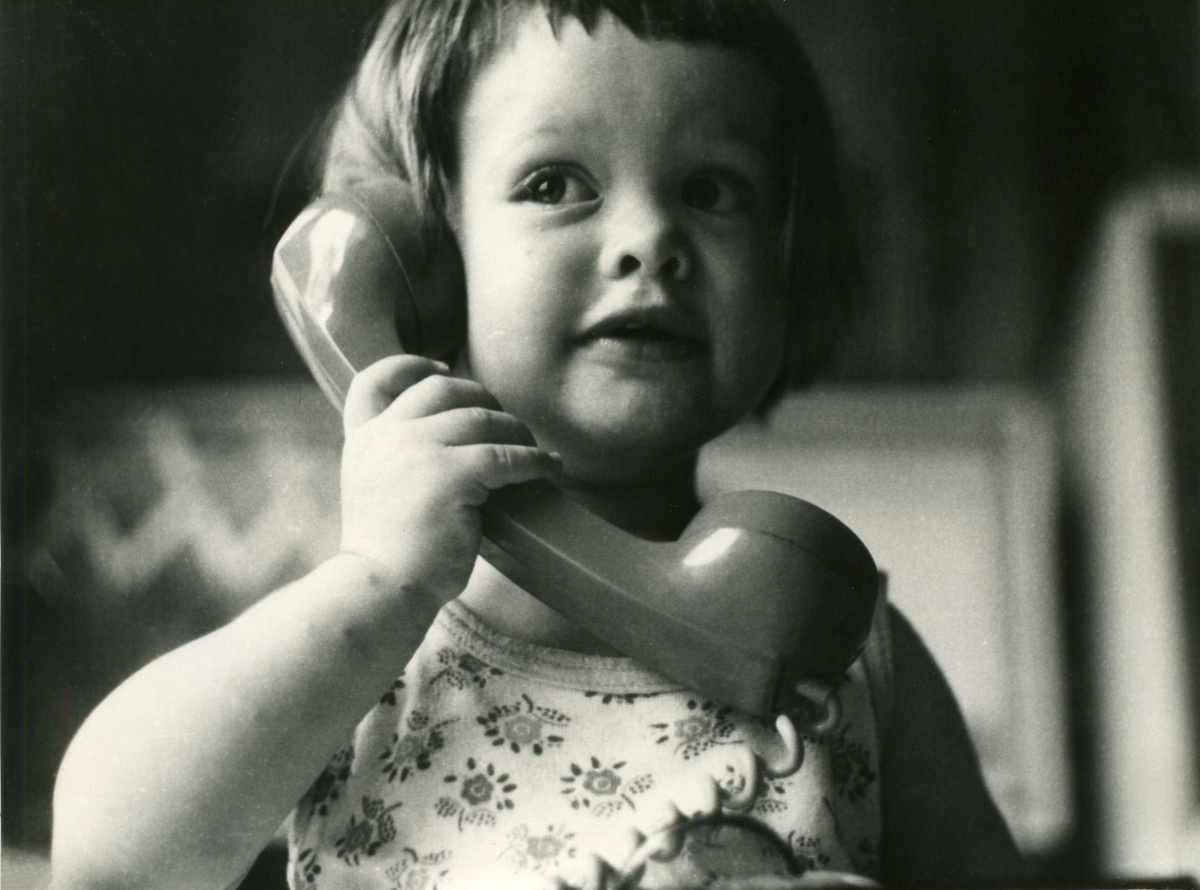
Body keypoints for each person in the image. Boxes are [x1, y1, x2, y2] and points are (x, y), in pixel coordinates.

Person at [49, 1, 1024, 888]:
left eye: (715, 189)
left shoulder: (849, 652)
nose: (650, 236)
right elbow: (110, 857)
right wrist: (378, 586)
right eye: (555, 181)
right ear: (426, 267)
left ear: (789, 262)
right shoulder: (352, 644)